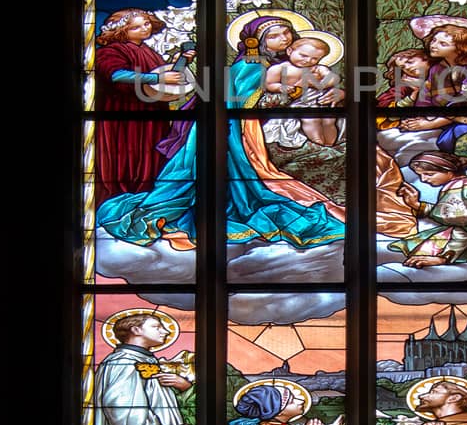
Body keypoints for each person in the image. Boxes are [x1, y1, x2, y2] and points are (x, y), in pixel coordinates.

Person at [97, 14, 345, 251]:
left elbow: (324, 85)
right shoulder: (251, 65)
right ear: (255, 42)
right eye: (275, 36)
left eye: (287, 32)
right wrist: (288, 95)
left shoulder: (290, 64)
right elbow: (246, 102)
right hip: (238, 133)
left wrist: (338, 92)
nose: (284, 39)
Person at [94, 8, 187, 203]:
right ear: (121, 31)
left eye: (146, 23)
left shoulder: (146, 50)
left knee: (151, 155)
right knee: (127, 156)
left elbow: (163, 79)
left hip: (152, 112)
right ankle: (122, 198)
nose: (144, 29)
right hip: (123, 114)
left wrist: (184, 60)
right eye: (136, 27)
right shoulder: (111, 51)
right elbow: (115, 75)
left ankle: (147, 198)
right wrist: (156, 77)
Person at [390, 150, 467, 266]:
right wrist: (417, 205)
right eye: (420, 175)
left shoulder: (459, 186)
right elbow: (450, 212)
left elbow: (463, 221)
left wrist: (444, 258)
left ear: (449, 172)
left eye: (429, 174)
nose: (423, 179)